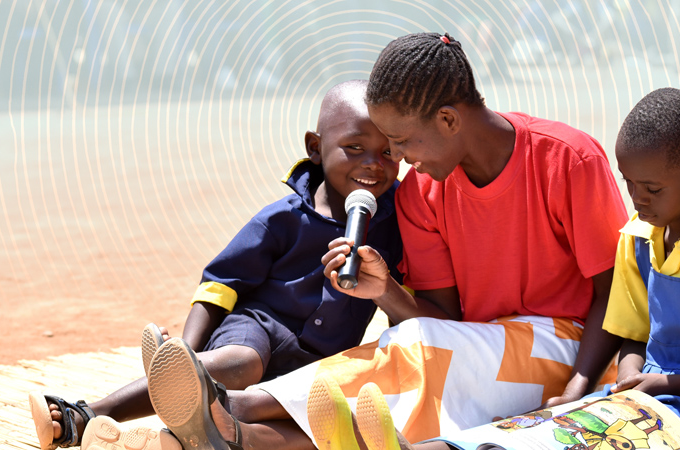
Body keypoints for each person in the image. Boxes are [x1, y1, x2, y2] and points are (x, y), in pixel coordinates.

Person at [96, 32, 630, 450]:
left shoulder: (567, 159)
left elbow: (616, 292)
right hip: (469, 349)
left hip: (569, 346)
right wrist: (384, 291)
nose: (399, 160)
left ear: (447, 119)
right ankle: (224, 434)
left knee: (413, 355)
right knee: (390, 377)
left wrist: (580, 386)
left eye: (400, 143)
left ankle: (229, 405)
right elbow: (438, 316)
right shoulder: (422, 192)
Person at [356, 87, 680, 450]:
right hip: (657, 400)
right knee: (530, 430)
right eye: (630, 186)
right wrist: (611, 381)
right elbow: (633, 332)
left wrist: (669, 381)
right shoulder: (639, 237)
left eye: (652, 187)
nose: (639, 200)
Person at [27, 79, 404, 450]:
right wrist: (181, 353)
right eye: (354, 148)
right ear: (315, 148)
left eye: (388, 153)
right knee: (244, 363)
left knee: (281, 412)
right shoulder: (282, 219)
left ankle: (153, 440)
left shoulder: (396, 229)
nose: (373, 164)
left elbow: (408, 310)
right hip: (259, 329)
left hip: (318, 361)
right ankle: (90, 413)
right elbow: (220, 285)